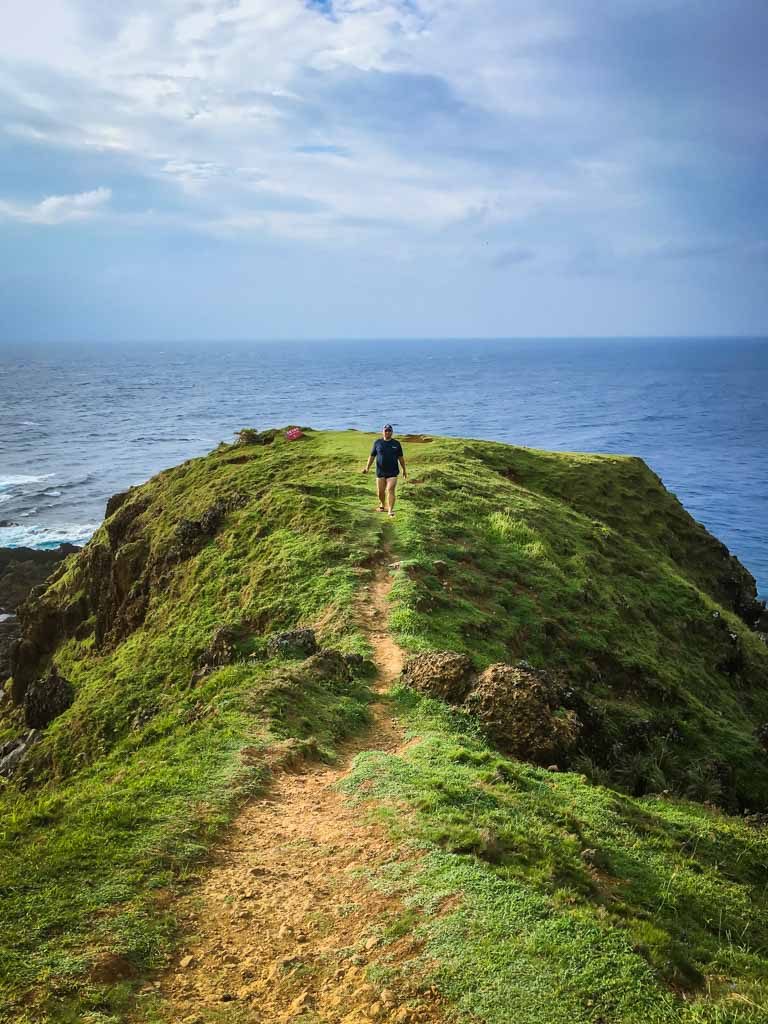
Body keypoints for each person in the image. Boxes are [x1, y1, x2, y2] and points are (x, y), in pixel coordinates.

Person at [361, 424, 406, 517]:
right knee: (380, 492)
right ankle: (382, 504)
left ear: (392, 432)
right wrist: (367, 468)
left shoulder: (396, 444)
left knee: (390, 489)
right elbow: (372, 456)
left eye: (389, 430)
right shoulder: (377, 443)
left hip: (393, 472)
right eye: (386, 430)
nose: (387, 432)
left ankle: (390, 510)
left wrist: (404, 470)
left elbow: (401, 458)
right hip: (380, 472)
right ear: (383, 432)